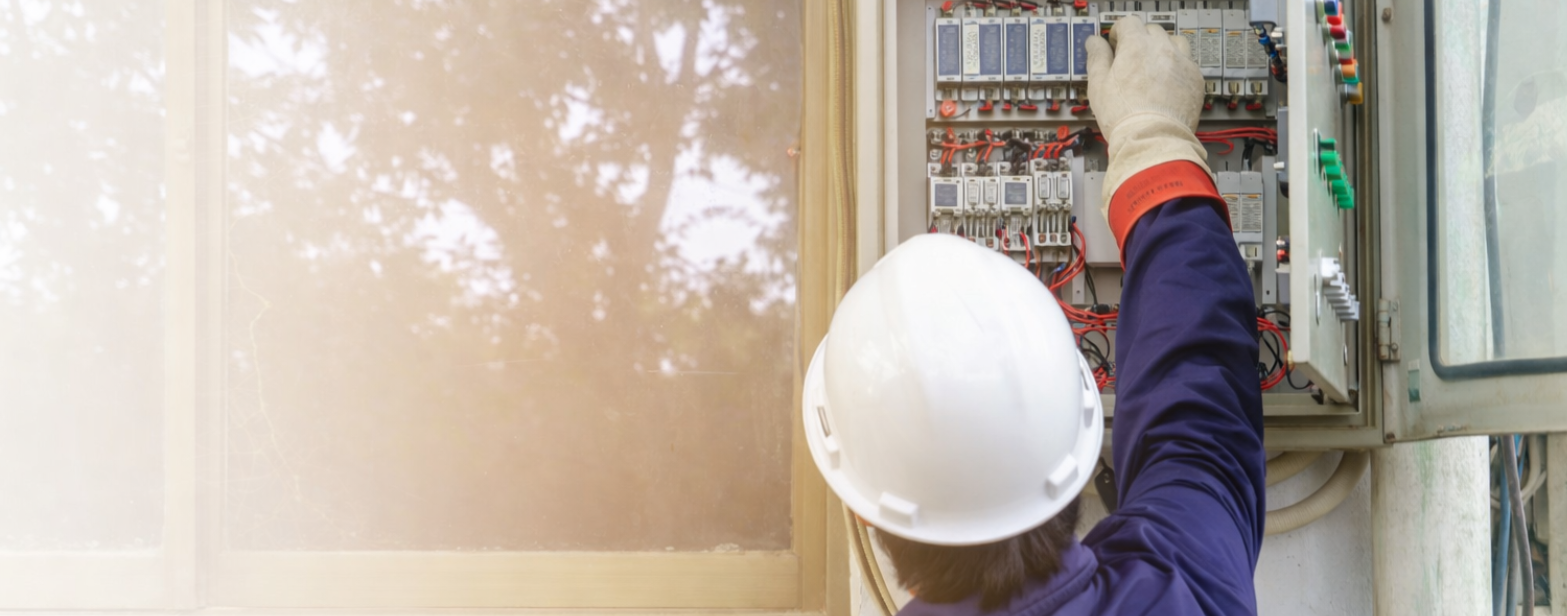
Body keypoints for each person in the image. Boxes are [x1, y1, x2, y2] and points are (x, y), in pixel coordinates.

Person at [800, 15, 1265, 615]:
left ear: (864, 507)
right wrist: (1152, 140)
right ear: (1078, 436)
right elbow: (1201, 429)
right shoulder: (1189, 588)